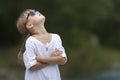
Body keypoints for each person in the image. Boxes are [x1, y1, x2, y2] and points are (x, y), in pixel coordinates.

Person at [16, 9, 67, 80]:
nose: (36, 12)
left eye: (35, 11)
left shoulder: (56, 38)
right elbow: (32, 66)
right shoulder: (31, 41)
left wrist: (43, 59)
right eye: (32, 13)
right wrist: (52, 59)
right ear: (29, 25)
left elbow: (62, 59)